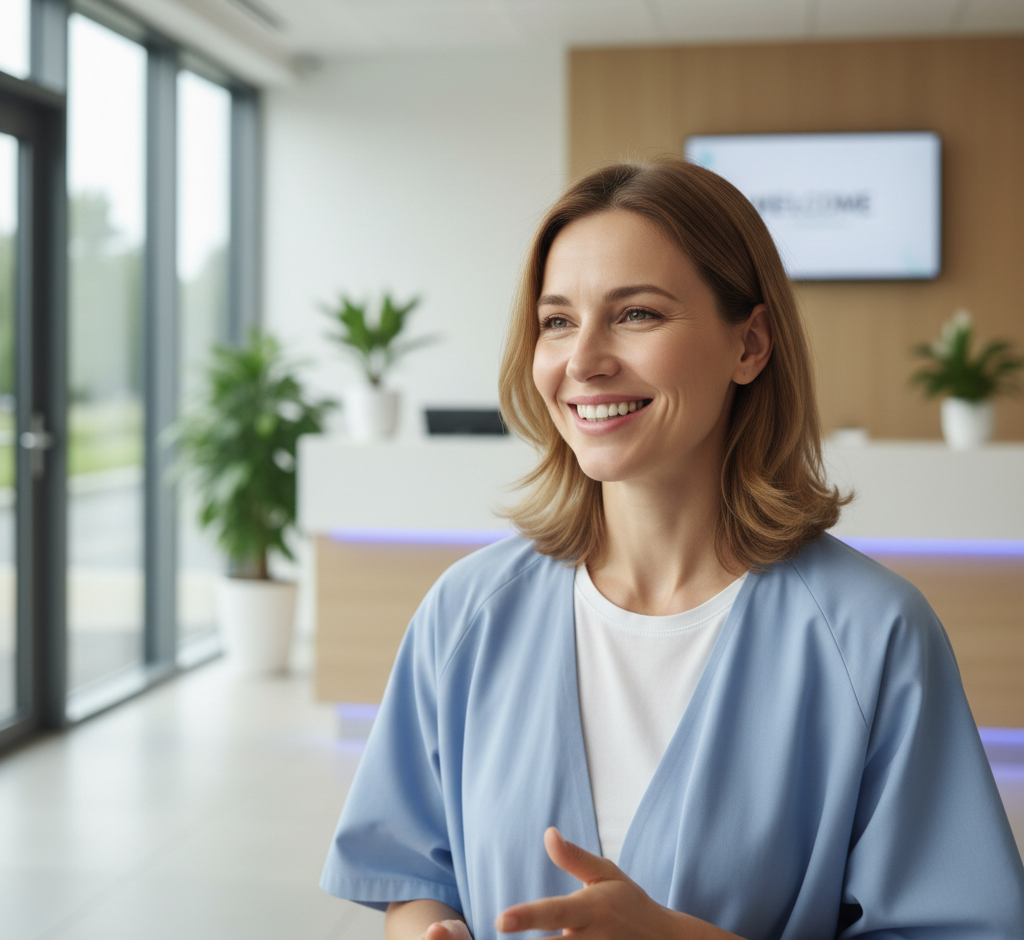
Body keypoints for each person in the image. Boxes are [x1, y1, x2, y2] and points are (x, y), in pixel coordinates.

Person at [321, 158, 1024, 940]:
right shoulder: (465, 612)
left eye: (638, 315)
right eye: (557, 321)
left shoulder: (873, 635)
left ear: (750, 345)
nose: (583, 359)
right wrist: (428, 931)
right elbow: (415, 876)